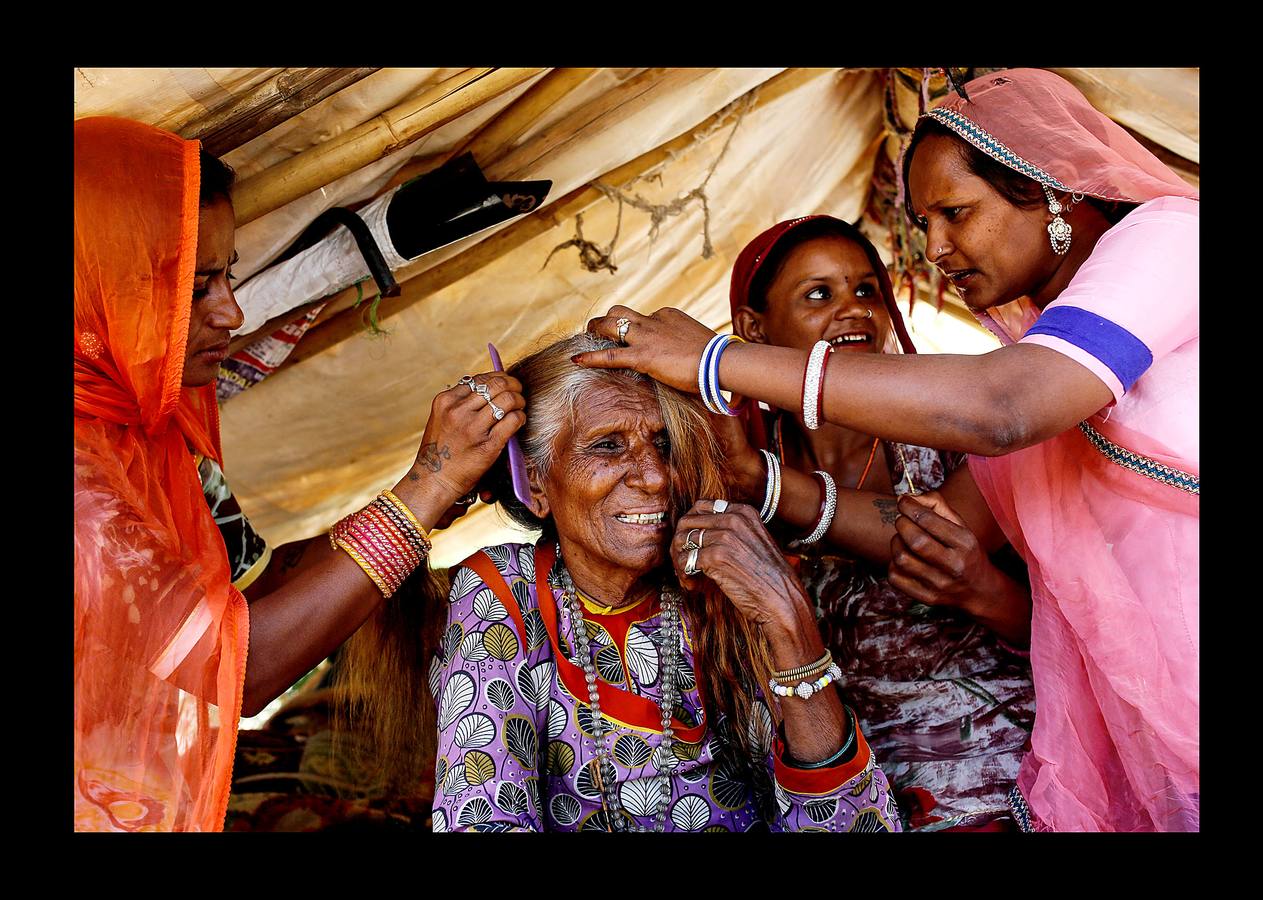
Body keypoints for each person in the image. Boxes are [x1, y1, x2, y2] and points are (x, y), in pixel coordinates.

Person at [576, 68, 1198, 832]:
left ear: (1051, 190)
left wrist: (718, 360)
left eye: (954, 213)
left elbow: (1003, 408)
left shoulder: (1170, 238)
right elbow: (936, 529)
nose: (932, 248)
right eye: (924, 222)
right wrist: (760, 481)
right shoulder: (1045, 356)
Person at [74, 116, 525, 831]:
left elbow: (251, 592)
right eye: (195, 286)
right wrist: (425, 490)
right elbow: (241, 667)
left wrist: (435, 496)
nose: (231, 311)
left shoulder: (146, 429)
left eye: (226, 276)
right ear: (105, 286)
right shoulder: (84, 483)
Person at [422, 333, 900, 831]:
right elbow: (478, 816)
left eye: (665, 444)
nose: (655, 478)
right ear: (536, 482)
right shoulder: (507, 590)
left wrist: (788, 622)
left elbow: (858, 825)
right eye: (608, 446)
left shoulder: (728, 577)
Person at [717, 214, 1035, 830]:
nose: (854, 309)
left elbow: (1059, 627)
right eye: (819, 294)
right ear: (753, 329)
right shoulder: (730, 466)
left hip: (1003, 774)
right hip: (840, 796)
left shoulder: (953, 434)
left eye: (867, 289)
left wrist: (985, 592)